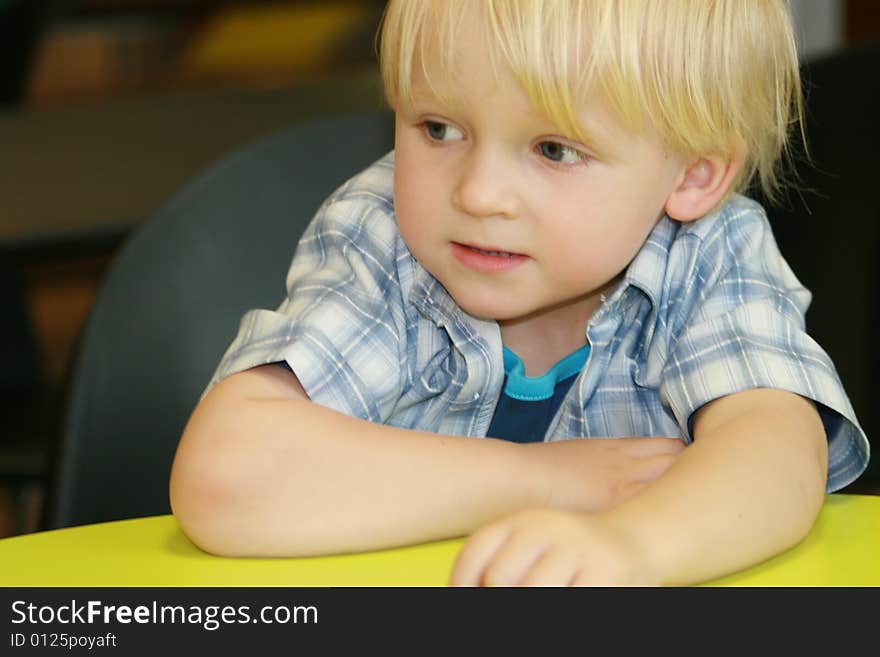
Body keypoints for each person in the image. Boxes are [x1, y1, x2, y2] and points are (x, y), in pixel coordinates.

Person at [169, 0, 869, 586]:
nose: (476, 193)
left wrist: (629, 548)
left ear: (691, 177)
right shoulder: (384, 234)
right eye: (438, 128)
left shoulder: (710, 251)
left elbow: (779, 454)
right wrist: (551, 477)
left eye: (553, 149)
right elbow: (224, 475)